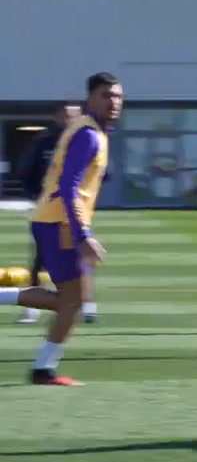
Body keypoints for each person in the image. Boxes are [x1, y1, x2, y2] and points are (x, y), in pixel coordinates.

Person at [0, 72, 123, 386]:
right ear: (91, 98)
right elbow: (69, 187)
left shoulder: (92, 131)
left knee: (72, 301)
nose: (114, 102)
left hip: (55, 220)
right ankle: (43, 368)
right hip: (61, 224)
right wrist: (83, 234)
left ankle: (44, 367)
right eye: (106, 96)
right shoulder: (89, 135)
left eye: (118, 96)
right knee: (72, 301)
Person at [15, 101, 81, 325]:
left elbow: (101, 174)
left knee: (77, 258)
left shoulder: (83, 142)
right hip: (47, 212)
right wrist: (37, 197)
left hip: (75, 212)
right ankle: (32, 307)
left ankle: (83, 306)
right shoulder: (44, 143)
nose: (70, 119)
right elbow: (25, 171)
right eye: (66, 115)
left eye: (74, 115)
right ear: (58, 117)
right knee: (41, 258)